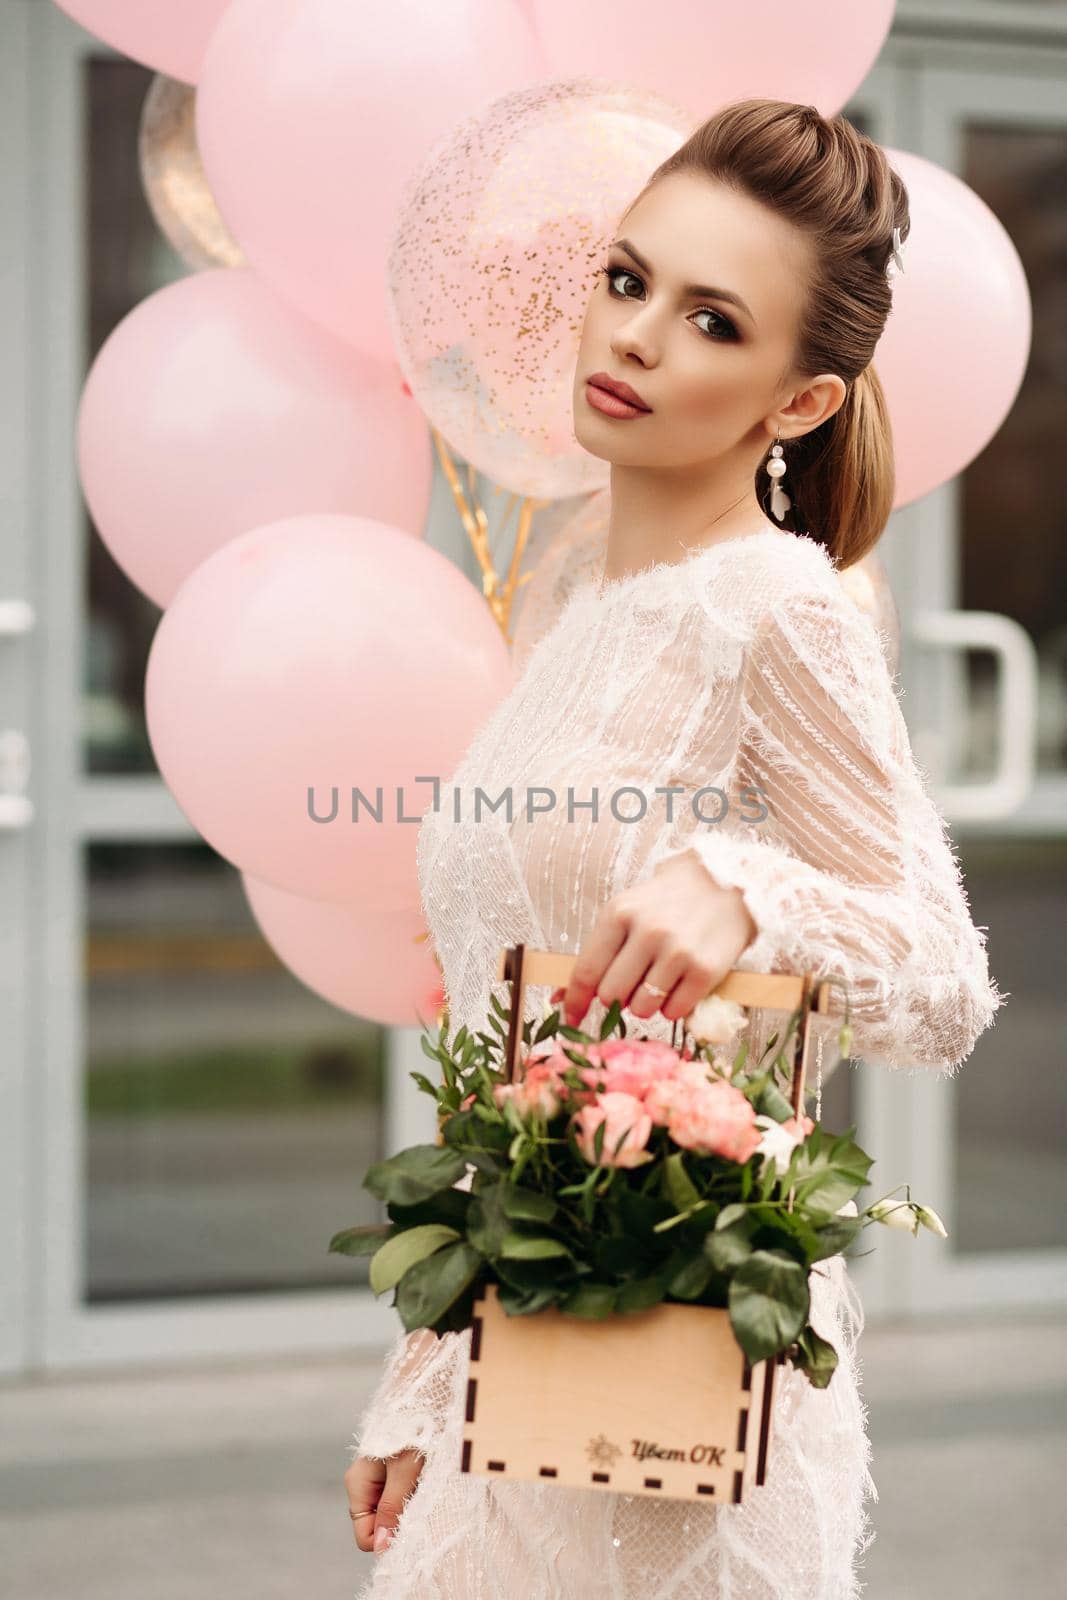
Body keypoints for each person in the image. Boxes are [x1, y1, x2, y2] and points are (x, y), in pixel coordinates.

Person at [343, 98, 1005, 1599]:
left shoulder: (781, 606)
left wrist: (752, 890)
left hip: (689, 1411)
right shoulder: (574, 628)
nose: (636, 337)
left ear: (800, 404)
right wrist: (419, 1374)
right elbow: (511, 1057)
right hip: (510, 1383)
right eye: (628, 280)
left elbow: (946, 983)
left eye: (712, 320)